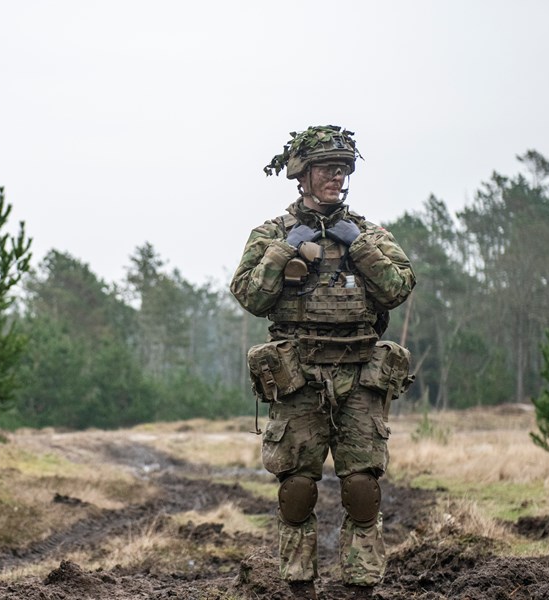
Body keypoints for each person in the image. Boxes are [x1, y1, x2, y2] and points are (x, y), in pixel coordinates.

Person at [230, 125, 416, 598]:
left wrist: (358, 246)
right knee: (296, 492)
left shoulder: (370, 233)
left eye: (343, 169)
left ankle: (359, 589)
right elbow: (251, 295)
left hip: (359, 375)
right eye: (327, 169)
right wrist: (286, 248)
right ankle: (300, 589)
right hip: (299, 377)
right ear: (302, 175)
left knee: (361, 490)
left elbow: (397, 289)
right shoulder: (271, 233)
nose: (336, 177)